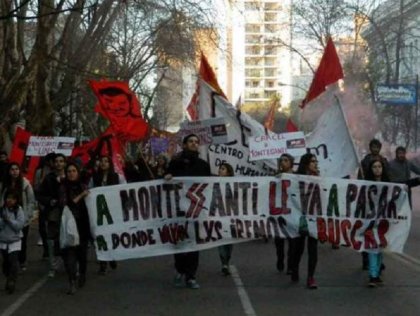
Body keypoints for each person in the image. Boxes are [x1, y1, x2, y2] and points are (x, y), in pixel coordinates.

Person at [165, 134, 211, 289]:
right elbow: (165, 184)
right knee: (178, 242)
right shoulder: (175, 163)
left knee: (193, 243)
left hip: (196, 210)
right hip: (178, 209)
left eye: (196, 142)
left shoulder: (203, 165)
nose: (194, 144)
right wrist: (168, 177)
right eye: (191, 141)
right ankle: (180, 269)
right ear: (184, 145)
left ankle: (191, 276)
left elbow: (209, 186)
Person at [89, 155, 125, 274]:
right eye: (101, 161)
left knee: (111, 235)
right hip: (99, 212)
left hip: (113, 211)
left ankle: (112, 256)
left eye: (106, 161)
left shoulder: (117, 177)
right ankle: (103, 263)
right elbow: (90, 192)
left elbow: (124, 190)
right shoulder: (94, 178)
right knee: (100, 237)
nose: (103, 163)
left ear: (110, 164)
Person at [59, 163, 90, 295]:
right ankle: (72, 281)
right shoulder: (62, 188)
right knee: (70, 255)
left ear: (78, 172)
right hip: (69, 226)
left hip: (83, 225)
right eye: (69, 171)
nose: (71, 173)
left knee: (82, 254)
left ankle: (82, 274)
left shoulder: (83, 186)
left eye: (74, 171)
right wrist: (81, 195)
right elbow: (66, 204)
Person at [358, 139, 388, 270]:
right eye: (373, 146)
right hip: (368, 201)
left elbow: (388, 177)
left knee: (380, 233)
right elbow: (360, 179)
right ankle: (366, 259)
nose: (375, 148)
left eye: (377, 146)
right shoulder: (365, 161)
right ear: (370, 147)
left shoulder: (384, 161)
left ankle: (378, 261)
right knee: (367, 233)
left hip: (380, 203)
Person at [290, 153, 319, 289]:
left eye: (316, 161)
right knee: (299, 247)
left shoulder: (319, 179)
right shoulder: (296, 179)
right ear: (306, 163)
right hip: (300, 217)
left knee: (313, 248)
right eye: (312, 161)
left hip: (314, 218)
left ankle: (311, 277)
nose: (315, 164)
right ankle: (294, 268)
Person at [0, 163, 36, 272]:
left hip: (21, 216)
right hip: (6, 216)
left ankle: (21, 261)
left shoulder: (25, 184)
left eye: (16, 169)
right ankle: (9, 262)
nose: (14, 171)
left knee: (22, 241)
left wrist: (27, 215)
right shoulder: (4, 185)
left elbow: (31, 201)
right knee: (6, 239)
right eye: (12, 169)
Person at [36, 153, 67, 277]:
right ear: (53, 164)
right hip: (54, 212)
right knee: (51, 238)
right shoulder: (49, 178)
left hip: (69, 212)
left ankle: (70, 263)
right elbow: (40, 194)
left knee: (69, 236)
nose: (59, 163)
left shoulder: (71, 175)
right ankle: (52, 265)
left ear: (65, 163)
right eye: (57, 161)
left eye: (61, 161)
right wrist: (49, 201)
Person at [364, 159, 389, 288]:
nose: (377, 169)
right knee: (372, 248)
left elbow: (403, 185)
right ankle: (373, 276)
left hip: (383, 221)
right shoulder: (366, 185)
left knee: (379, 249)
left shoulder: (388, 185)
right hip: (370, 221)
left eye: (379, 166)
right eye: (374, 167)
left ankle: (377, 274)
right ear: (371, 169)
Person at [0, 190, 25, 294]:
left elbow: (19, 226)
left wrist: (9, 221)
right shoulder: (2, 211)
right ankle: (8, 276)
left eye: (13, 199)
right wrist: (3, 221)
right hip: (3, 241)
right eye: (8, 198)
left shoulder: (18, 210)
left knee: (13, 262)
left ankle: (12, 281)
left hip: (15, 241)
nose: (10, 200)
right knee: (5, 263)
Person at [274, 153, 294, 274]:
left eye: (286, 160)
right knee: (279, 241)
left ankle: (290, 265)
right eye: (281, 160)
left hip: (292, 213)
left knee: (292, 241)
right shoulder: (276, 177)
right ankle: (280, 258)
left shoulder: (297, 177)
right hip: (279, 213)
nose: (283, 163)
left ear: (291, 162)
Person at [34, 153, 56, 258]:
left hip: (55, 205)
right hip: (43, 205)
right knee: (42, 228)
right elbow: (36, 188)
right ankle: (46, 249)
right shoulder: (40, 172)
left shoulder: (57, 173)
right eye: (51, 161)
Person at [217, 162, 235, 276]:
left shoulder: (233, 184)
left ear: (228, 172)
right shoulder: (214, 183)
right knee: (221, 240)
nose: (220, 170)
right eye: (220, 169)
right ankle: (224, 263)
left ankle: (227, 260)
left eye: (222, 169)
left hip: (231, 216)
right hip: (218, 215)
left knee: (229, 241)